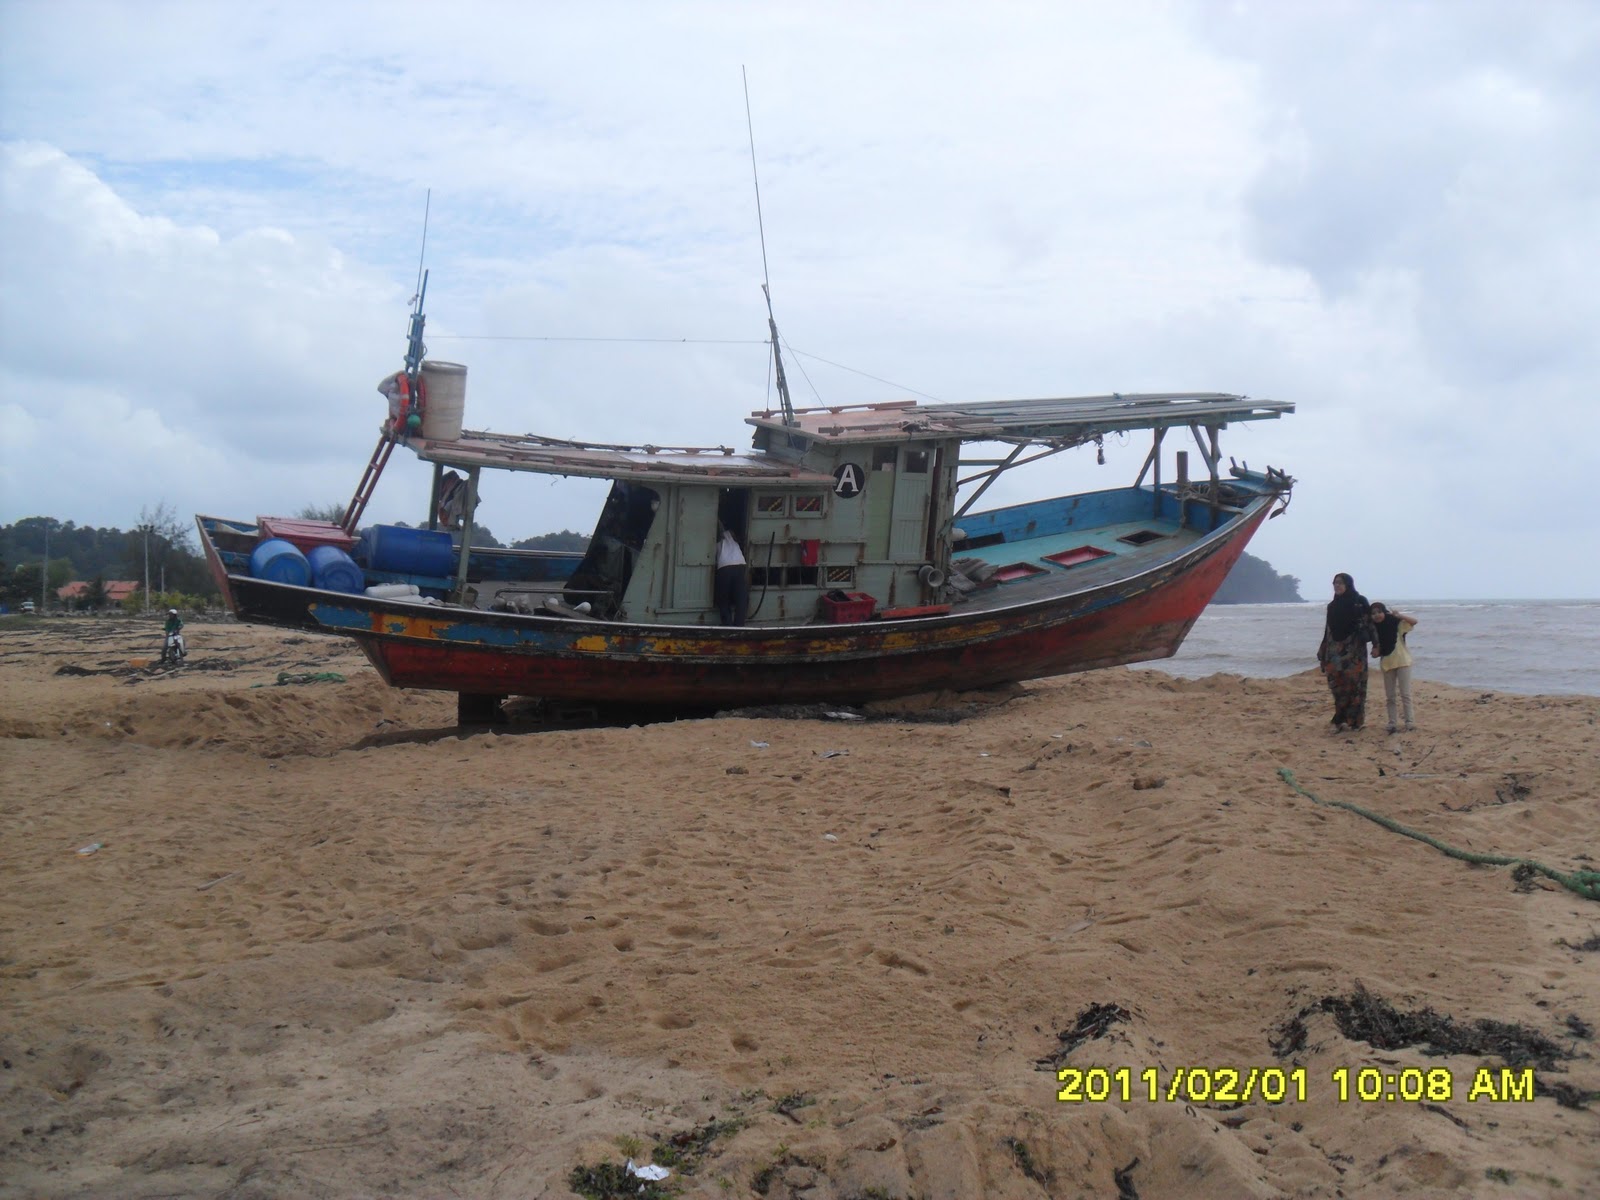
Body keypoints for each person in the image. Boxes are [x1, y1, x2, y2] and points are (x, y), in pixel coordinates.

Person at [1316, 572, 1376, 731]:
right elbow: (1328, 630)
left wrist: (1378, 645)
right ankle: (1339, 719)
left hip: (1354, 651)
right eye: (1335, 583)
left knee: (1355, 686)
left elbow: (1371, 625)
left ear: (1348, 584)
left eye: (1341, 583)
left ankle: (1355, 721)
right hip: (1334, 651)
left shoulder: (1359, 601)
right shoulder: (1332, 606)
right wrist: (1323, 651)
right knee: (1337, 686)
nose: (1337, 585)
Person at [1369, 602, 1418, 733]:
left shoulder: (1396, 624)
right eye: (1373, 613)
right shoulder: (1373, 630)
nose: (1377, 615)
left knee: (1405, 694)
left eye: (1379, 612)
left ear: (1384, 612)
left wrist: (1400, 615)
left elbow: (1414, 621)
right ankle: (1392, 723)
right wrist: (1375, 652)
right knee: (1390, 696)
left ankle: (1410, 722)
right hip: (1387, 664)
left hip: (1403, 662)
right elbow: (1377, 649)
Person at [714, 527, 749, 626]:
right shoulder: (732, 537)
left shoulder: (717, 540)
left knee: (723, 598)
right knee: (741, 598)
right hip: (740, 564)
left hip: (724, 566)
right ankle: (739, 625)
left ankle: (727, 624)